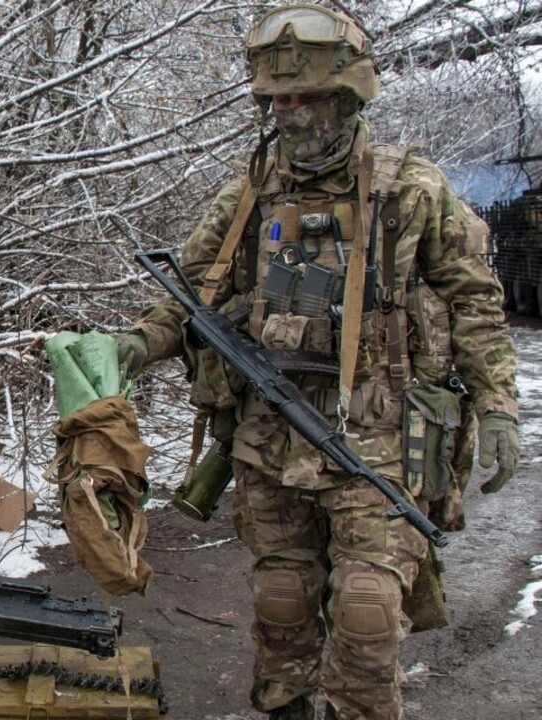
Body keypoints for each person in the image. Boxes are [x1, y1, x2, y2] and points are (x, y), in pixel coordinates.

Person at [111, 5, 520, 719]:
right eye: (275, 101)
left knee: (366, 613)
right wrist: (134, 348)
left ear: (348, 96)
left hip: (378, 442)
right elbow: (189, 297)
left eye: (304, 98)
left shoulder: (410, 193)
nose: (289, 115)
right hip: (271, 442)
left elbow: (476, 303)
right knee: (282, 606)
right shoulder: (247, 196)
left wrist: (497, 405)